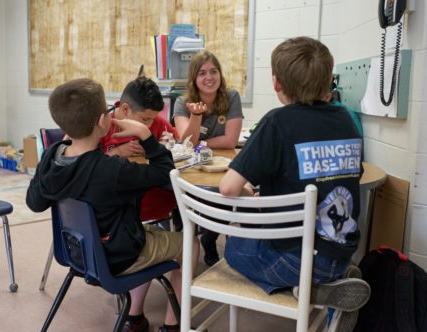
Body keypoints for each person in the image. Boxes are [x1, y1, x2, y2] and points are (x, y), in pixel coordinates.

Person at [218, 37, 370, 331]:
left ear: (277, 84)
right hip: (341, 250)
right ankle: (332, 278)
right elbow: (345, 174)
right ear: (328, 80)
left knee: (233, 248)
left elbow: (228, 188)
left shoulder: (277, 121)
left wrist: (250, 191)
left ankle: (310, 289)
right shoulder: (345, 119)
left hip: (296, 260)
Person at [26, 78, 194, 332]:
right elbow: (165, 171)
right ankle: (173, 325)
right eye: (106, 109)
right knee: (191, 243)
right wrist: (145, 134)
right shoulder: (112, 170)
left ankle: (135, 319)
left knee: (148, 234)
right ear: (101, 121)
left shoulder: (52, 155)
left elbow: (34, 203)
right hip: (116, 255)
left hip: (76, 251)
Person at [172, 50, 243, 266]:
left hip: (222, 167)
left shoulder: (231, 97)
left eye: (214, 71)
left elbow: (230, 141)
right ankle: (190, 238)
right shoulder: (182, 102)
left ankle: (210, 238)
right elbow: (187, 144)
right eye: (202, 73)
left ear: (220, 75)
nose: (209, 77)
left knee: (227, 197)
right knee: (183, 196)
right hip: (193, 168)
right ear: (194, 78)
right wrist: (195, 116)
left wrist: (200, 144)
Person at [100, 77, 179, 223]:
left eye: (152, 120)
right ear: (125, 109)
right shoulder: (103, 126)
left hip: (156, 196)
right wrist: (117, 152)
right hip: (117, 205)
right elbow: (88, 167)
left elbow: (178, 145)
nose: (148, 126)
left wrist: (154, 148)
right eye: (144, 120)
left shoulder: (155, 121)